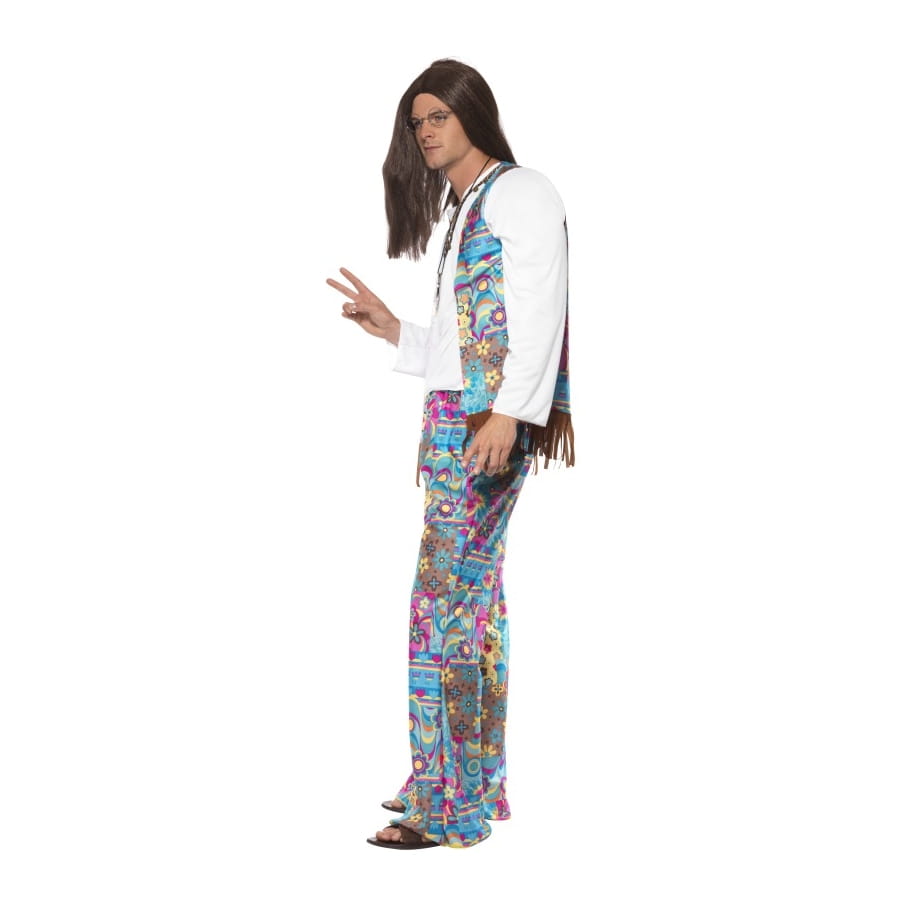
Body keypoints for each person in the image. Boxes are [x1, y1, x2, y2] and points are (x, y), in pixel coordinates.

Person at [326, 58, 574, 849]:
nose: (427, 131)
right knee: (474, 610)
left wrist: (509, 414)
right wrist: (395, 331)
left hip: (482, 427)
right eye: (417, 122)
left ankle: (445, 803)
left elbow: (541, 309)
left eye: (438, 115)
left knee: (439, 609)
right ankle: (478, 786)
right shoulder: (468, 207)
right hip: (457, 419)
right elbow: (468, 345)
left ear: (473, 112)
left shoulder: (520, 191)